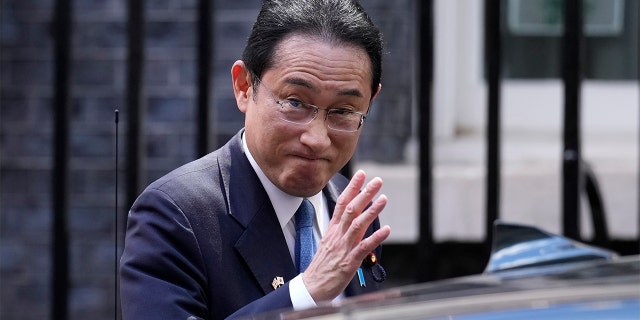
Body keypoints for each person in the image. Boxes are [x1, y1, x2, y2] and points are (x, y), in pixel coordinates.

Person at [119, 0, 390, 319]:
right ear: (244, 87)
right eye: (294, 102)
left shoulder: (354, 210)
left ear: (370, 102)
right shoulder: (175, 217)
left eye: (343, 111)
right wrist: (307, 292)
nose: (316, 138)